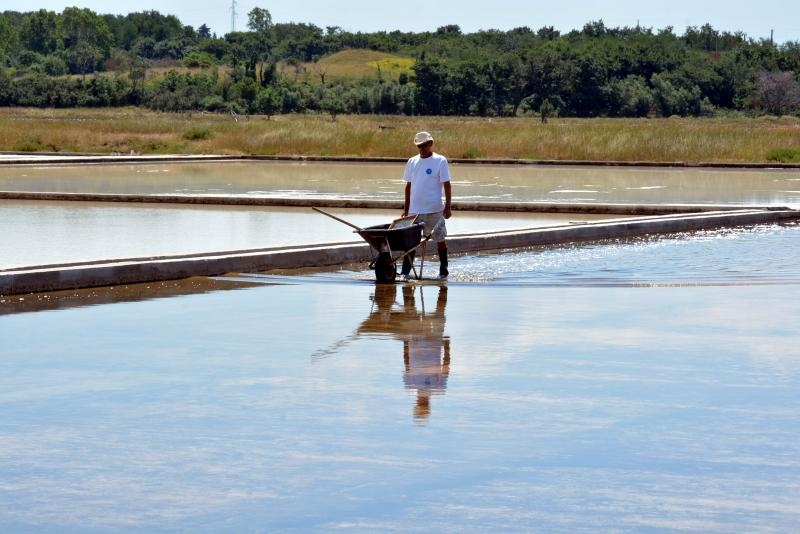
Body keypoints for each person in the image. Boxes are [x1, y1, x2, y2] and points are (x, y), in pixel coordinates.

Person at [401, 131, 452, 279]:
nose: (422, 149)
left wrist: (448, 207)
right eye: (419, 146)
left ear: (431, 144)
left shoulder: (440, 160)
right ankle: (405, 272)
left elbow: (447, 185)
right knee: (411, 243)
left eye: (424, 146)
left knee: (440, 239)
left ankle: (443, 270)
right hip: (415, 211)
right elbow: (408, 186)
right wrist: (406, 210)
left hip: (434, 210)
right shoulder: (412, 161)